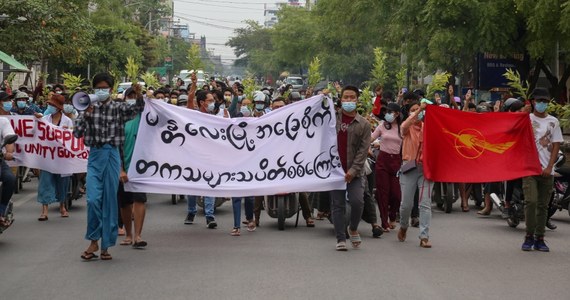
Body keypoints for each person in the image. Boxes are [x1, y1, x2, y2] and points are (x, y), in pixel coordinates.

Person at [73, 73, 143, 261]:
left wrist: (139, 94)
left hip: (112, 155)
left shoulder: (119, 108)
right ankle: (94, 240)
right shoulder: (87, 107)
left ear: (111, 90)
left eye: (104, 88)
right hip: (95, 156)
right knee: (93, 199)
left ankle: (105, 245)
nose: (101, 91)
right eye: (98, 88)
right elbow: (77, 134)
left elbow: (138, 109)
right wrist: (85, 116)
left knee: (110, 200)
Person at [521, 88, 563, 252]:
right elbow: (511, 128)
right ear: (533, 102)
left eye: (545, 102)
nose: (542, 104)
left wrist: (549, 167)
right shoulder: (526, 119)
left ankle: (540, 238)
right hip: (529, 169)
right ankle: (528, 236)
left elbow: (556, 145)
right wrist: (522, 114)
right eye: (540, 101)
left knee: (543, 206)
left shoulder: (553, 121)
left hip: (547, 171)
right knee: (530, 202)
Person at [331, 85, 370, 251]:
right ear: (340, 99)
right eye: (345, 97)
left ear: (357, 100)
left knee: (357, 201)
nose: (348, 100)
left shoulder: (364, 124)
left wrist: (352, 171)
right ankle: (340, 238)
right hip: (334, 171)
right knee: (337, 204)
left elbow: (363, 152)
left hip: (355, 172)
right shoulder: (331, 119)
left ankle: (353, 227)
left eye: (351, 97)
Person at [397, 100, 433, 248]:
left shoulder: (429, 128)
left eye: (419, 109)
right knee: (406, 205)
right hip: (409, 168)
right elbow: (404, 126)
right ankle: (403, 226)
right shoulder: (406, 129)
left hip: (425, 170)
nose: (417, 111)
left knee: (425, 204)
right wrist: (418, 112)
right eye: (413, 110)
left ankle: (424, 236)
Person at [184, 73, 218, 229]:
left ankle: (209, 216)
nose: (213, 103)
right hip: (193, 156)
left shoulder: (215, 117)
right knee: (193, 185)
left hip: (210, 156)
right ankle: (191, 211)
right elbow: (190, 99)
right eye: (210, 101)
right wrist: (193, 84)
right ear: (202, 102)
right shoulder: (194, 114)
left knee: (209, 184)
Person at [118, 85, 148, 248]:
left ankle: (138, 235)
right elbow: (115, 145)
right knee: (125, 203)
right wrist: (120, 169)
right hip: (124, 166)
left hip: (141, 167)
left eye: (134, 96)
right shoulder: (118, 119)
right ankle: (128, 234)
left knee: (139, 199)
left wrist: (141, 94)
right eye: (129, 96)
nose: (131, 99)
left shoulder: (144, 118)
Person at [36, 94, 73, 221]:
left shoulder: (67, 121)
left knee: (62, 182)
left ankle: (62, 206)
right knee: (45, 181)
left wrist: (66, 131)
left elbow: (71, 138)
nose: (50, 107)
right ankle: (44, 210)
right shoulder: (45, 119)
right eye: (50, 104)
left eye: (53, 105)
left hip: (62, 157)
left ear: (59, 108)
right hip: (47, 156)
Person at [371, 102, 403, 232]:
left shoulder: (402, 128)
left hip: (396, 162)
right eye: (387, 112)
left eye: (391, 112)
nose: (389, 114)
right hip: (382, 160)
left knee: (396, 195)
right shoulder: (382, 126)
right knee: (383, 193)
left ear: (398, 114)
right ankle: (384, 222)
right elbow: (371, 138)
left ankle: (392, 215)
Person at [0, 111, 16, 227]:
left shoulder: (3, 121)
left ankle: (1, 211)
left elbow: (8, 138)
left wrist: (9, 152)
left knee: (10, 179)